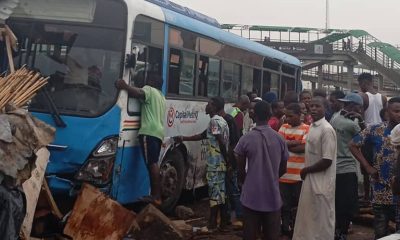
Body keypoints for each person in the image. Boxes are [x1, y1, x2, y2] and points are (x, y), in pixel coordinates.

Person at [235, 101, 289, 240]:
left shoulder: (245, 139)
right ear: (270, 114)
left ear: (253, 115)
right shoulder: (280, 139)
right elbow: (283, 168)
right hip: (273, 194)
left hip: (251, 195)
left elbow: (240, 169)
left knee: (250, 233)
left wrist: (245, 182)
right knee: (272, 235)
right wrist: (271, 178)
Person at [175, 97, 229, 231]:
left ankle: (212, 223)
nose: (206, 106)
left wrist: (227, 159)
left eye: (209, 104)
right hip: (220, 163)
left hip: (216, 163)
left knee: (214, 194)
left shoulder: (214, 121)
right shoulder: (221, 120)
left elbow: (221, 141)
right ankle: (222, 223)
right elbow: (203, 136)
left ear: (215, 106)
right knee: (221, 193)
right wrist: (183, 138)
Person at [349, 97, 400, 239]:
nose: (399, 114)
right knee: (380, 231)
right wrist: (367, 166)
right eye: (396, 111)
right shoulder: (375, 130)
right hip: (380, 190)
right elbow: (353, 144)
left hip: (399, 191)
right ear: (387, 112)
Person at [115, 73, 165, 206]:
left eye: (148, 79)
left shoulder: (149, 90)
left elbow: (138, 93)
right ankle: (157, 196)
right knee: (153, 163)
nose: (145, 82)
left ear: (152, 82)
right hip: (159, 132)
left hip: (148, 132)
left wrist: (124, 86)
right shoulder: (161, 96)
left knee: (152, 163)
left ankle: (155, 196)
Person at [292, 97, 337, 240]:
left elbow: (327, 160)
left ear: (325, 108)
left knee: (321, 221)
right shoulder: (312, 126)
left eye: (317, 106)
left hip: (322, 182)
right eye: (311, 106)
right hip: (311, 180)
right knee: (308, 219)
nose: (313, 109)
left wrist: (306, 170)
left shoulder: (327, 130)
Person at [330, 93, 364, 240]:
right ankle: (342, 231)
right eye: (348, 105)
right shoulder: (352, 124)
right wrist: (361, 120)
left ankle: (337, 229)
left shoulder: (335, 117)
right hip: (347, 167)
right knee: (347, 203)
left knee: (337, 201)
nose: (349, 107)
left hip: (334, 167)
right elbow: (366, 138)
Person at [278, 103, 310, 239]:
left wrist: (286, 144)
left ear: (299, 115)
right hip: (283, 175)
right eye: (286, 116)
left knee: (298, 205)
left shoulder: (307, 129)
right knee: (284, 205)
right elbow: (278, 144)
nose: (287, 119)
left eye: (291, 116)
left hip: (299, 175)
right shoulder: (284, 127)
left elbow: (303, 147)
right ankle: (285, 227)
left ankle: (297, 229)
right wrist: (293, 143)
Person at [358, 72, 387, 202]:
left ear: (363, 83)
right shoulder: (383, 98)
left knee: (366, 167)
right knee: (379, 164)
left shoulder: (363, 97)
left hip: (368, 134)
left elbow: (361, 118)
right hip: (381, 134)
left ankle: (366, 196)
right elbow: (385, 116)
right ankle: (379, 193)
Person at [218, 97, 242, 224]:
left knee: (232, 189)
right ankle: (229, 216)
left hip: (230, 160)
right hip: (229, 159)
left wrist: (230, 161)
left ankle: (239, 214)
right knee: (228, 189)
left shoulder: (227, 120)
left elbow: (232, 143)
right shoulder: (226, 119)